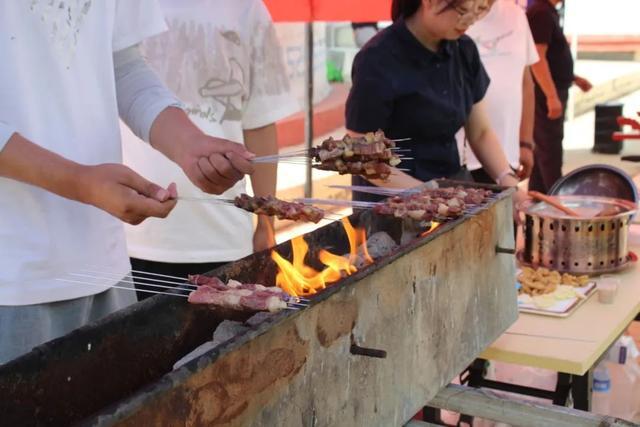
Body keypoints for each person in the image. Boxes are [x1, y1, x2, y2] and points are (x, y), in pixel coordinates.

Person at [0, 0, 253, 364]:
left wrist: (190, 145)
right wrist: (81, 183)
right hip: (13, 282)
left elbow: (122, 66)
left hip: (108, 269)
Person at [122, 0, 299, 300]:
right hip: (131, 237)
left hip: (224, 237)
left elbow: (259, 122)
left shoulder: (247, 9)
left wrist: (266, 221)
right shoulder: (119, 7)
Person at [346, 0, 526, 210]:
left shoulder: (464, 49)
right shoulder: (377, 58)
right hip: (391, 205)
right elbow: (359, 151)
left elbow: (481, 132)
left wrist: (506, 179)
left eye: (480, 11)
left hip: (447, 190)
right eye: (463, 11)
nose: (470, 21)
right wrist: (423, 193)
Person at [457, 0, 539, 184]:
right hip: (457, 162)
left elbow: (526, 83)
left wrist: (525, 142)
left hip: (503, 156)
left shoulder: (517, 16)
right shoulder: (452, 20)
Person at [527, 0, 592, 193]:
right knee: (550, 150)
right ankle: (557, 199)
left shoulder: (548, 11)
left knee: (544, 152)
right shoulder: (541, 13)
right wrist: (551, 96)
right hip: (545, 93)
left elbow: (554, 58)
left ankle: (540, 198)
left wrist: (573, 78)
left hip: (554, 88)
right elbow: (537, 58)